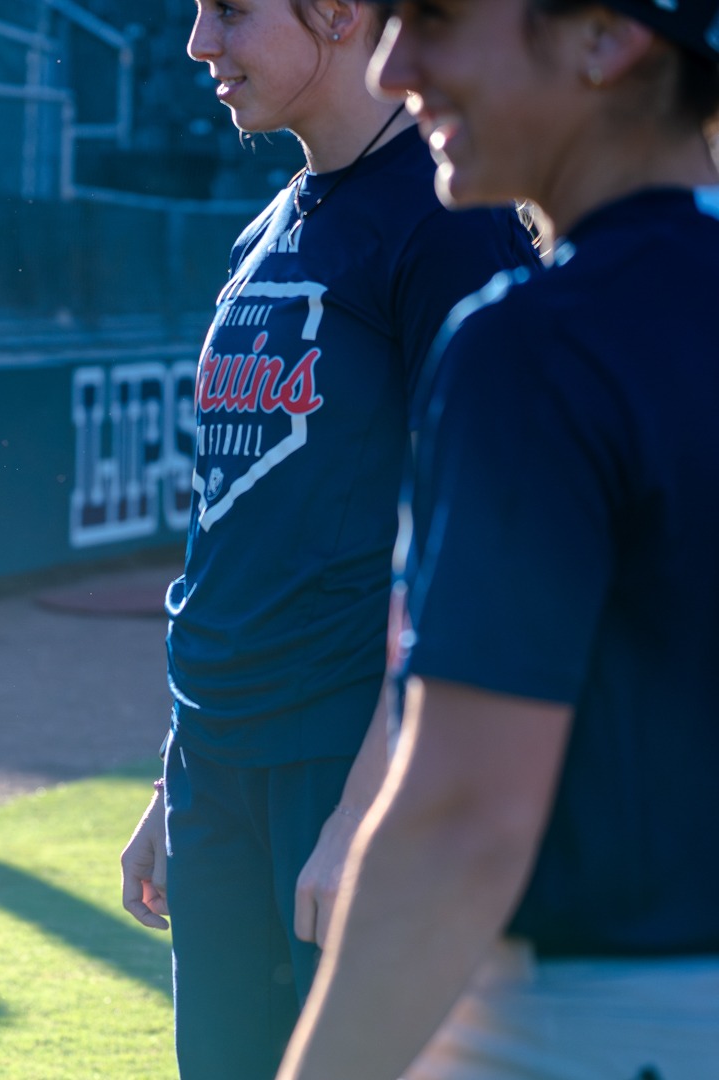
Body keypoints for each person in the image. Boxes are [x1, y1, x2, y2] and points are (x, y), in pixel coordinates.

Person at [277, 1, 719, 1077]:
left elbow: (464, 823)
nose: (392, 65)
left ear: (604, 38)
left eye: (432, 16)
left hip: (589, 1025)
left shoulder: (538, 344)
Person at [115, 1, 537, 1076]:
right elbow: (234, 521)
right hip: (218, 770)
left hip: (339, 764)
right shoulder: (267, 230)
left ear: (342, 14)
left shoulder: (450, 224)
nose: (199, 43)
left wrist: (364, 811)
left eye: (232, 11)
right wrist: (177, 777)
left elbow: (478, 546)